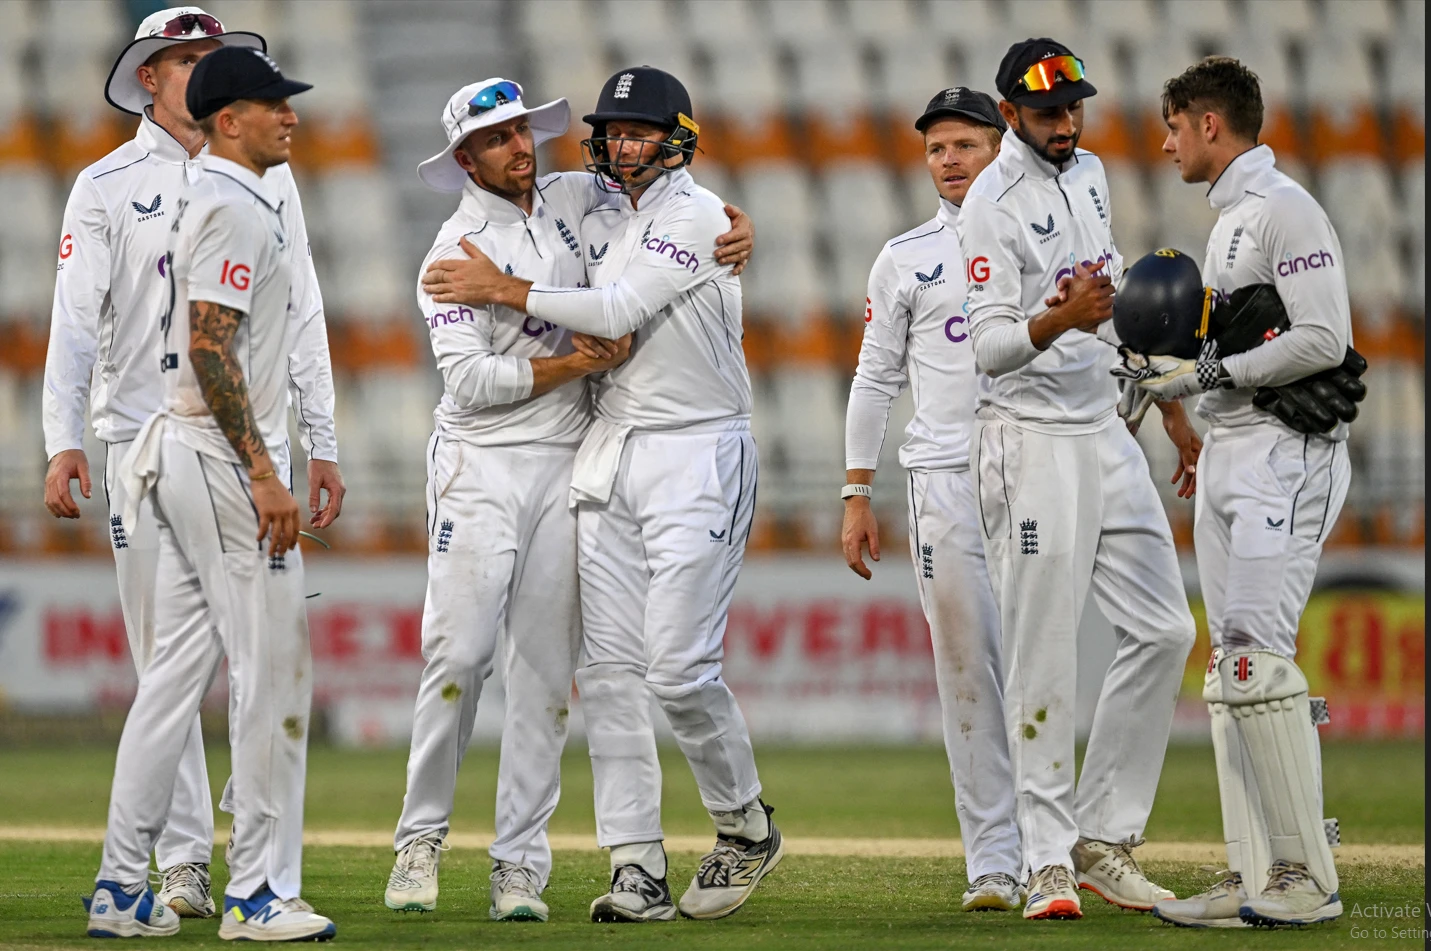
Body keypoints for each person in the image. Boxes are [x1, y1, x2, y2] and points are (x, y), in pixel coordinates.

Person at [385, 78, 755, 922]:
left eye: (522, 131)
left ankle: (519, 863)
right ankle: (421, 837)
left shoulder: (574, 194)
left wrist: (738, 223)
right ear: (464, 159)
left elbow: (671, 198)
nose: (520, 147)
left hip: (571, 459)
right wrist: (575, 367)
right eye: (496, 138)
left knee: (548, 672)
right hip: (479, 463)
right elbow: (474, 384)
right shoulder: (451, 251)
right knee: (458, 654)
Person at [43, 6, 344, 919]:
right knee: (265, 659)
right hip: (185, 441)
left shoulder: (261, 184)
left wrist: (318, 437)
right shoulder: (120, 184)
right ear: (157, 79)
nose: (285, 113)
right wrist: (64, 435)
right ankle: (243, 884)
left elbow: (303, 314)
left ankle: (122, 882)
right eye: (195, 60)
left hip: (199, 437)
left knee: (177, 669)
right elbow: (112, 326)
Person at [955, 38, 1199, 920]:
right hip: (1028, 439)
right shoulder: (989, 202)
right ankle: (1044, 859)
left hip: (1102, 421)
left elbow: (1112, 310)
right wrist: (1056, 319)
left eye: (1072, 108)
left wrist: (1165, 404)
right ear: (1009, 112)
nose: (1064, 124)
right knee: (1043, 648)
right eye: (1046, 112)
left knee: (1166, 629)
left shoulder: (1089, 173)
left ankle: (1099, 835)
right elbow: (987, 349)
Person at [1132, 56, 1351, 929]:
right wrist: (1176, 374)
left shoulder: (1284, 207)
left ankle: (1305, 876)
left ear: (1209, 125)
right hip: (1231, 448)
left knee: (1256, 659)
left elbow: (1327, 336)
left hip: (1285, 454)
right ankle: (1251, 866)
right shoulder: (1229, 219)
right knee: (1230, 668)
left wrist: (1204, 372)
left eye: (1174, 126)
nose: (1165, 142)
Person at [840, 87, 1023, 913]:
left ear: (999, 146)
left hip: (1031, 465)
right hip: (942, 478)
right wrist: (855, 490)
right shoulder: (904, 255)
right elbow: (874, 375)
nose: (947, 161)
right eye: (935, 148)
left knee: (1037, 663)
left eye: (964, 145)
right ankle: (994, 860)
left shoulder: (1037, 229)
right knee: (965, 670)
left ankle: (1056, 851)